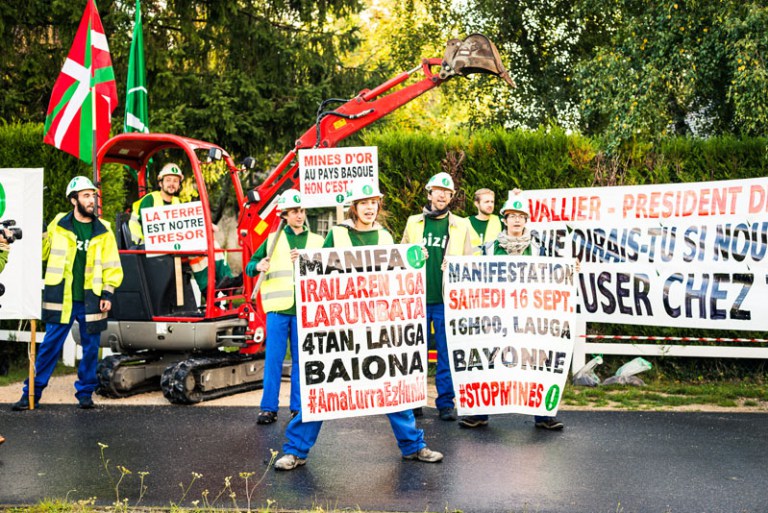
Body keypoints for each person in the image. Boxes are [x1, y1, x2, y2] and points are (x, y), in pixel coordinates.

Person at [273, 180, 444, 470]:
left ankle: (413, 446)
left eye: (373, 203)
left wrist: (415, 261)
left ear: (378, 206)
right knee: (322, 389)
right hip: (340, 330)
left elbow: (397, 277)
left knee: (393, 386)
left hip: (377, 328)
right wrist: (304, 262)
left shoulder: (385, 236)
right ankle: (295, 450)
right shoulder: (338, 234)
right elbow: (320, 272)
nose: (369, 208)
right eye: (363, 203)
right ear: (354, 207)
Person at [12, 176, 124, 411]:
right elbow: (43, 254)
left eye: (92, 195)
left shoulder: (103, 230)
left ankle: (85, 394)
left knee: (91, 349)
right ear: (74, 200)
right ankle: (31, 393)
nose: (91, 199)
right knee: (49, 348)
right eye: (85, 195)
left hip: (92, 299)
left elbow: (113, 266)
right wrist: (41, 229)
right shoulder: (59, 224)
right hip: (60, 297)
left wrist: (108, 294)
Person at [458, 190, 564, 430]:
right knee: (490, 360)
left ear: (526, 220)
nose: (517, 220)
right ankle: (479, 413)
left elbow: (552, 277)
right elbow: (474, 276)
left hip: (529, 315)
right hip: (497, 315)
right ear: (504, 219)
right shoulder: (489, 249)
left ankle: (544, 415)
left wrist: (570, 270)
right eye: (512, 215)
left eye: (521, 216)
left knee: (535, 362)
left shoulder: (539, 249)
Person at [245, 189, 323, 425]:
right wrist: (259, 265)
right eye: (294, 212)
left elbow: (330, 270)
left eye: (301, 211)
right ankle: (268, 408)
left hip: (305, 311)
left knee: (302, 361)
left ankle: (298, 408)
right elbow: (249, 267)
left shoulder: (317, 241)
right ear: (285, 215)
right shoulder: (271, 240)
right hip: (278, 311)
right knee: (274, 361)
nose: (299, 215)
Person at [401, 172, 473, 421]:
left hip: (446, 301)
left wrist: (455, 265)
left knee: (446, 352)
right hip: (418, 299)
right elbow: (401, 258)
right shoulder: (413, 222)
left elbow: (471, 262)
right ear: (429, 193)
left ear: (452, 197)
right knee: (415, 352)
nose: (442, 194)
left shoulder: (462, 225)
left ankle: (445, 402)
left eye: (447, 191)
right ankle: (415, 400)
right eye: (438, 190)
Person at [128, 162, 240, 294]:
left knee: (208, 245)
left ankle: (222, 284)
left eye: (175, 181)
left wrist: (205, 226)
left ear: (179, 185)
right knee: (196, 249)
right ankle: (208, 289)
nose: (172, 184)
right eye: (168, 180)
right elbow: (149, 228)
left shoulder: (177, 202)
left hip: (169, 246)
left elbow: (186, 226)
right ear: (160, 183)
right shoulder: (150, 199)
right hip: (147, 247)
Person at [468, 188, 502, 255]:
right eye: (486, 202)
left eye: (492, 202)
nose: (490, 205)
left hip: (493, 264)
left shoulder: (500, 221)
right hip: (470, 264)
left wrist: (516, 196)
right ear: (477, 204)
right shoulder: (465, 222)